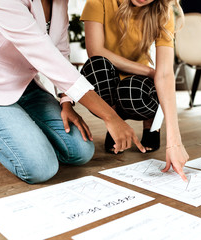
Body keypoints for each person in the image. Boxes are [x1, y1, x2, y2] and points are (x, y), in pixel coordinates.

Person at [0, 0, 145, 184]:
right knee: (40, 168)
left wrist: (66, 102)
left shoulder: (60, 2)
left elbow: (60, 50)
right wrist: (110, 115)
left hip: (26, 86)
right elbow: (43, 53)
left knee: (80, 151)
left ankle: (17, 123)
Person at [80, 0, 189, 181]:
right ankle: (116, 121)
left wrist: (175, 141)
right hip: (109, 75)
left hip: (137, 86)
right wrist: (150, 71)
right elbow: (95, 51)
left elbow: (165, 74)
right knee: (95, 66)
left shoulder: (163, 10)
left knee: (132, 91)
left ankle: (150, 123)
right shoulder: (97, 1)